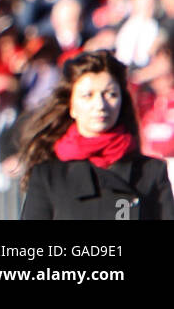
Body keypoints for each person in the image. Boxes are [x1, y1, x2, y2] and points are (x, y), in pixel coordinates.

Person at [18, 50, 174, 220]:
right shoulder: (48, 176)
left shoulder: (150, 172)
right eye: (88, 95)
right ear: (72, 107)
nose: (100, 105)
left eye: (110, 94)